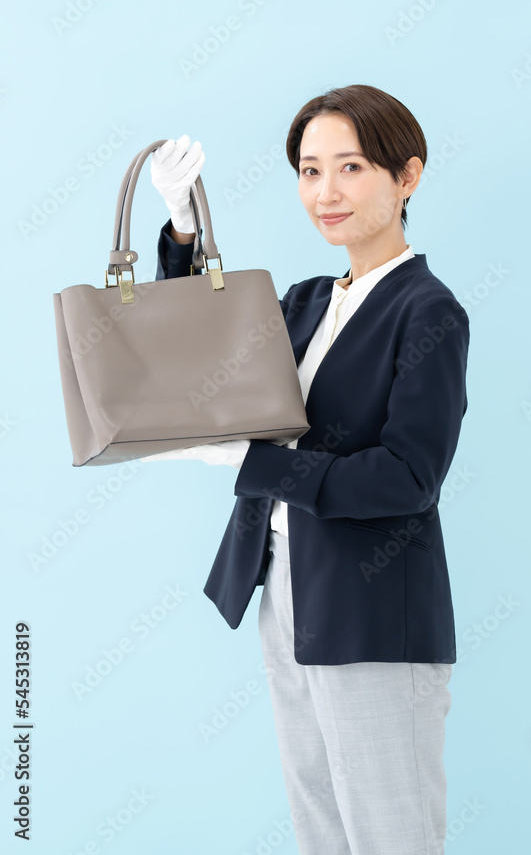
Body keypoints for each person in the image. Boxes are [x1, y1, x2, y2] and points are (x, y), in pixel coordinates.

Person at [145, 84, 470, 855]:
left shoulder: (427, 311)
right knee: (319, 829)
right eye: (309, 170)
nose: (325, 192)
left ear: (407, 176)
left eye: (350, 167)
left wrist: (256, 462)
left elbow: (407, 478)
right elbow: (193, 353)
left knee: (389, 836)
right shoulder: (304, 302)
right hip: (287, 587)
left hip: (372, 609)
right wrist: (183, 229)